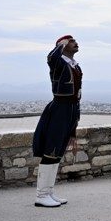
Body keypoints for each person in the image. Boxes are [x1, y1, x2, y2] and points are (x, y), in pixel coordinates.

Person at [32, 34, 82, 208]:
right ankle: (41, 195)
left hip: (70, 110)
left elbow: (76, 97)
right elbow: (50, 57)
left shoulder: (75, 66)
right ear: (63, 45)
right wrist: (61, 44)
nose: (76, 43)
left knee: (58, 153)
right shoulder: (58, 62)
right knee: (51, 151)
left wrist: (73, 130)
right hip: (60, 109)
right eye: (72, 41)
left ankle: (49, 192)